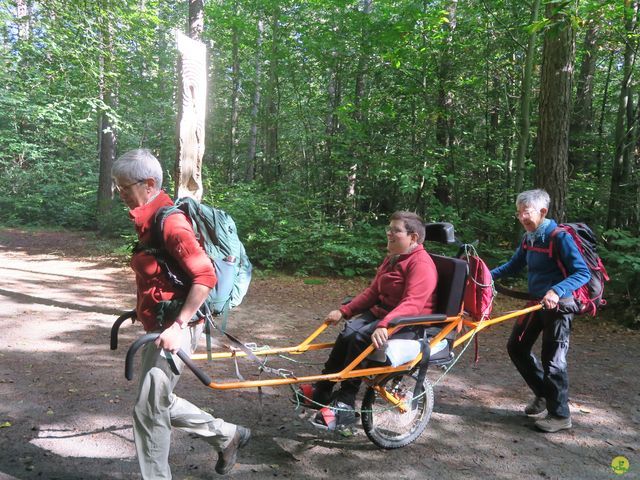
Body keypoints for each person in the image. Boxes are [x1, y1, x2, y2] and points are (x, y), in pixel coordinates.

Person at [111, 149, 250, 478]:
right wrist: (143, 307)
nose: (120, 195)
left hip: (177, 329)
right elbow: (162, 272)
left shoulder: (170, 222)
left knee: (148, 409)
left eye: (124, 188)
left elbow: (205, 276)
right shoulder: (149, 218)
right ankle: (227, 435)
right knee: (156, 401)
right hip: (161, 325)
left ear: (148, 184)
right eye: (117, 187)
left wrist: (178, 324)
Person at [300, 211, 438, 431]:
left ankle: (345, 402)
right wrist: (344, 311)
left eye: (396, 230)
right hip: (382, 314)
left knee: (359, 337)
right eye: (389, 229)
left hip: (407, 322)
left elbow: (413, 303)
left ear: (413, 237)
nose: (389, 234)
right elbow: (373, 292)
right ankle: (323, 389)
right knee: (348, 332)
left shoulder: (422, 264)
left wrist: (386, 324)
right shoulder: (393, 258)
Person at [491, 189, 590, 433]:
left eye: (526, 212)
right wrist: (485, 276)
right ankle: (544, 395)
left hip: (559, 306)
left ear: (543, 211)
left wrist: (556, 291)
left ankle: (560, 415)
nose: (522, 217)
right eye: (519, 213)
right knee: (517, 346)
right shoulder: (530, 237)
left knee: (553, 361)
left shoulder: (559, 237)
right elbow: (515, 264)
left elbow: (582, 272)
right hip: (535, 303)